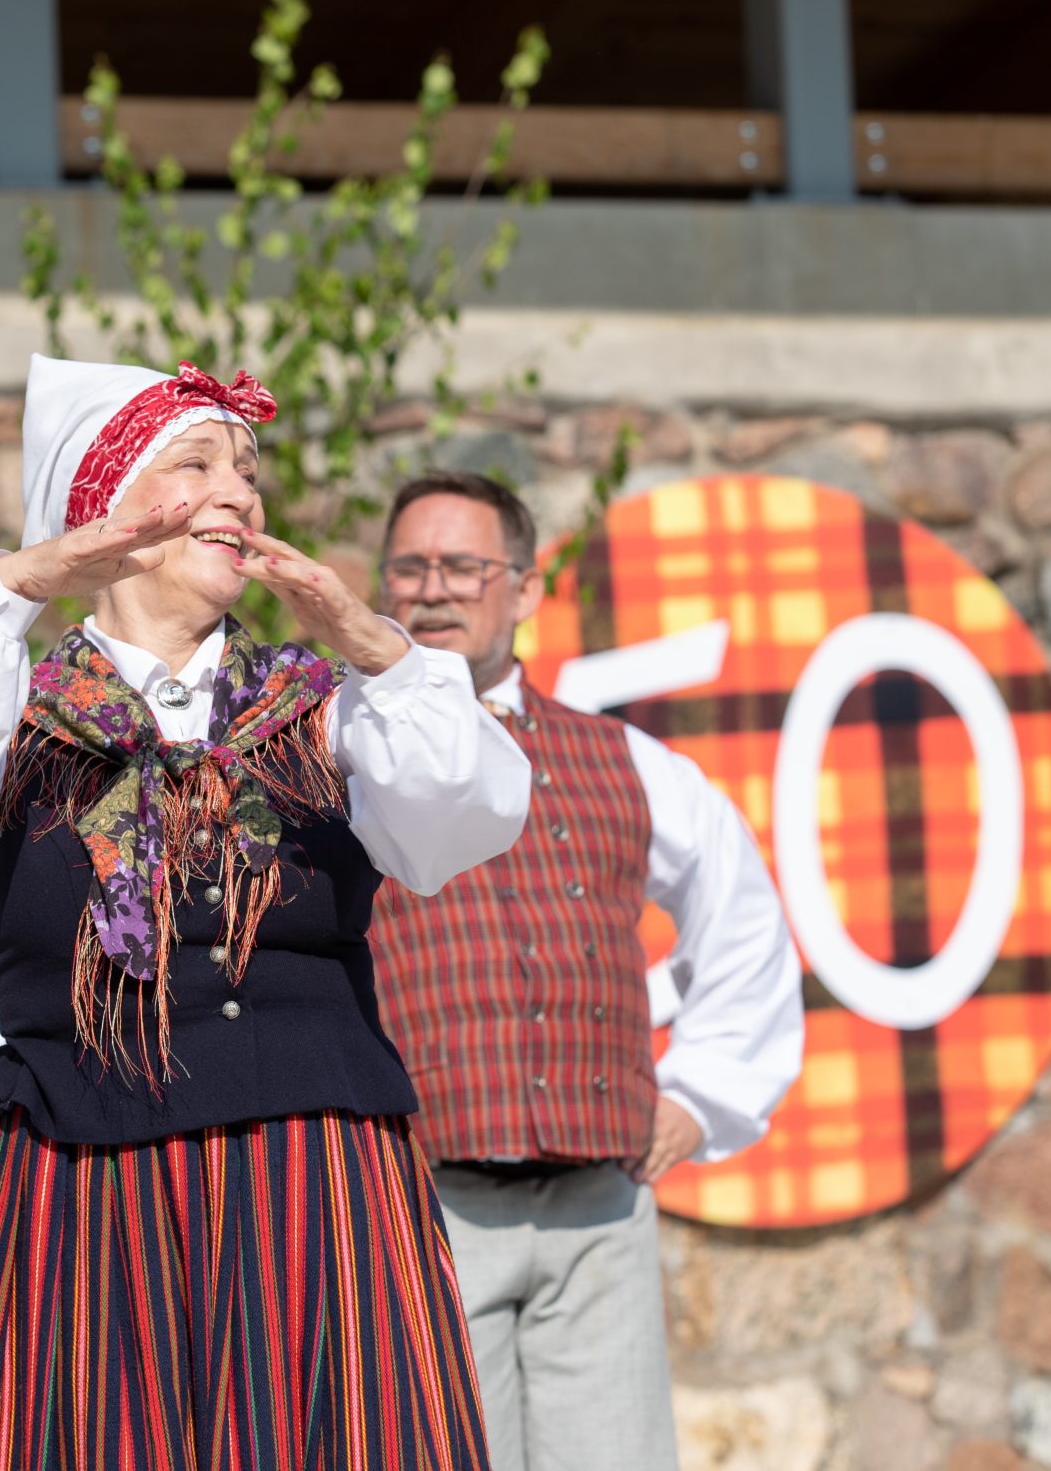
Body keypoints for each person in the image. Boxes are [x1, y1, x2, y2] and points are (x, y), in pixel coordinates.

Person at [0, 354, 532, 1470]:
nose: (239, 493)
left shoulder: (325, 709)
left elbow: (468, 812)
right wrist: (22, 579)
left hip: (311, 1185)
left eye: (249, 471)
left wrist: (376, 644)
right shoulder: (1, 716)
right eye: (197, 465)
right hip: (77, 1188)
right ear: (100, 511)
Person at [365, 471, 803, 1471]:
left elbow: (742, 912)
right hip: (426, 1203)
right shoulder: (341, 752)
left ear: (523, 589)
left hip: (599, 1206)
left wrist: (700, 1094)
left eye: (463, 566)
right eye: (410, 567)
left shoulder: (623, 760)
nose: (433, 589)